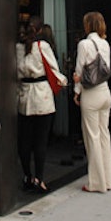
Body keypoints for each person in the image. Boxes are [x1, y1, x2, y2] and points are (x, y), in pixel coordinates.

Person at [16, 16, 67, 193]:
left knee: (24, 140)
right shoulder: (42, 46)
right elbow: (53, 68)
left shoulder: (17, 48)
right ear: (39, 30)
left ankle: (27, 175)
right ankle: (39, 177)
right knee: (41, 140)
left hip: (24, 95)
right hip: (42, 95)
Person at [73, 11, 111, 193]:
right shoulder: (105, 44)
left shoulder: (84, 44)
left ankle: (97, 183)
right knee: (104, 135)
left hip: (91, 93)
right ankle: (107, 180)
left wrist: (76, 90)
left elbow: (79, 71)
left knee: (92, 137)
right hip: (105, 91)